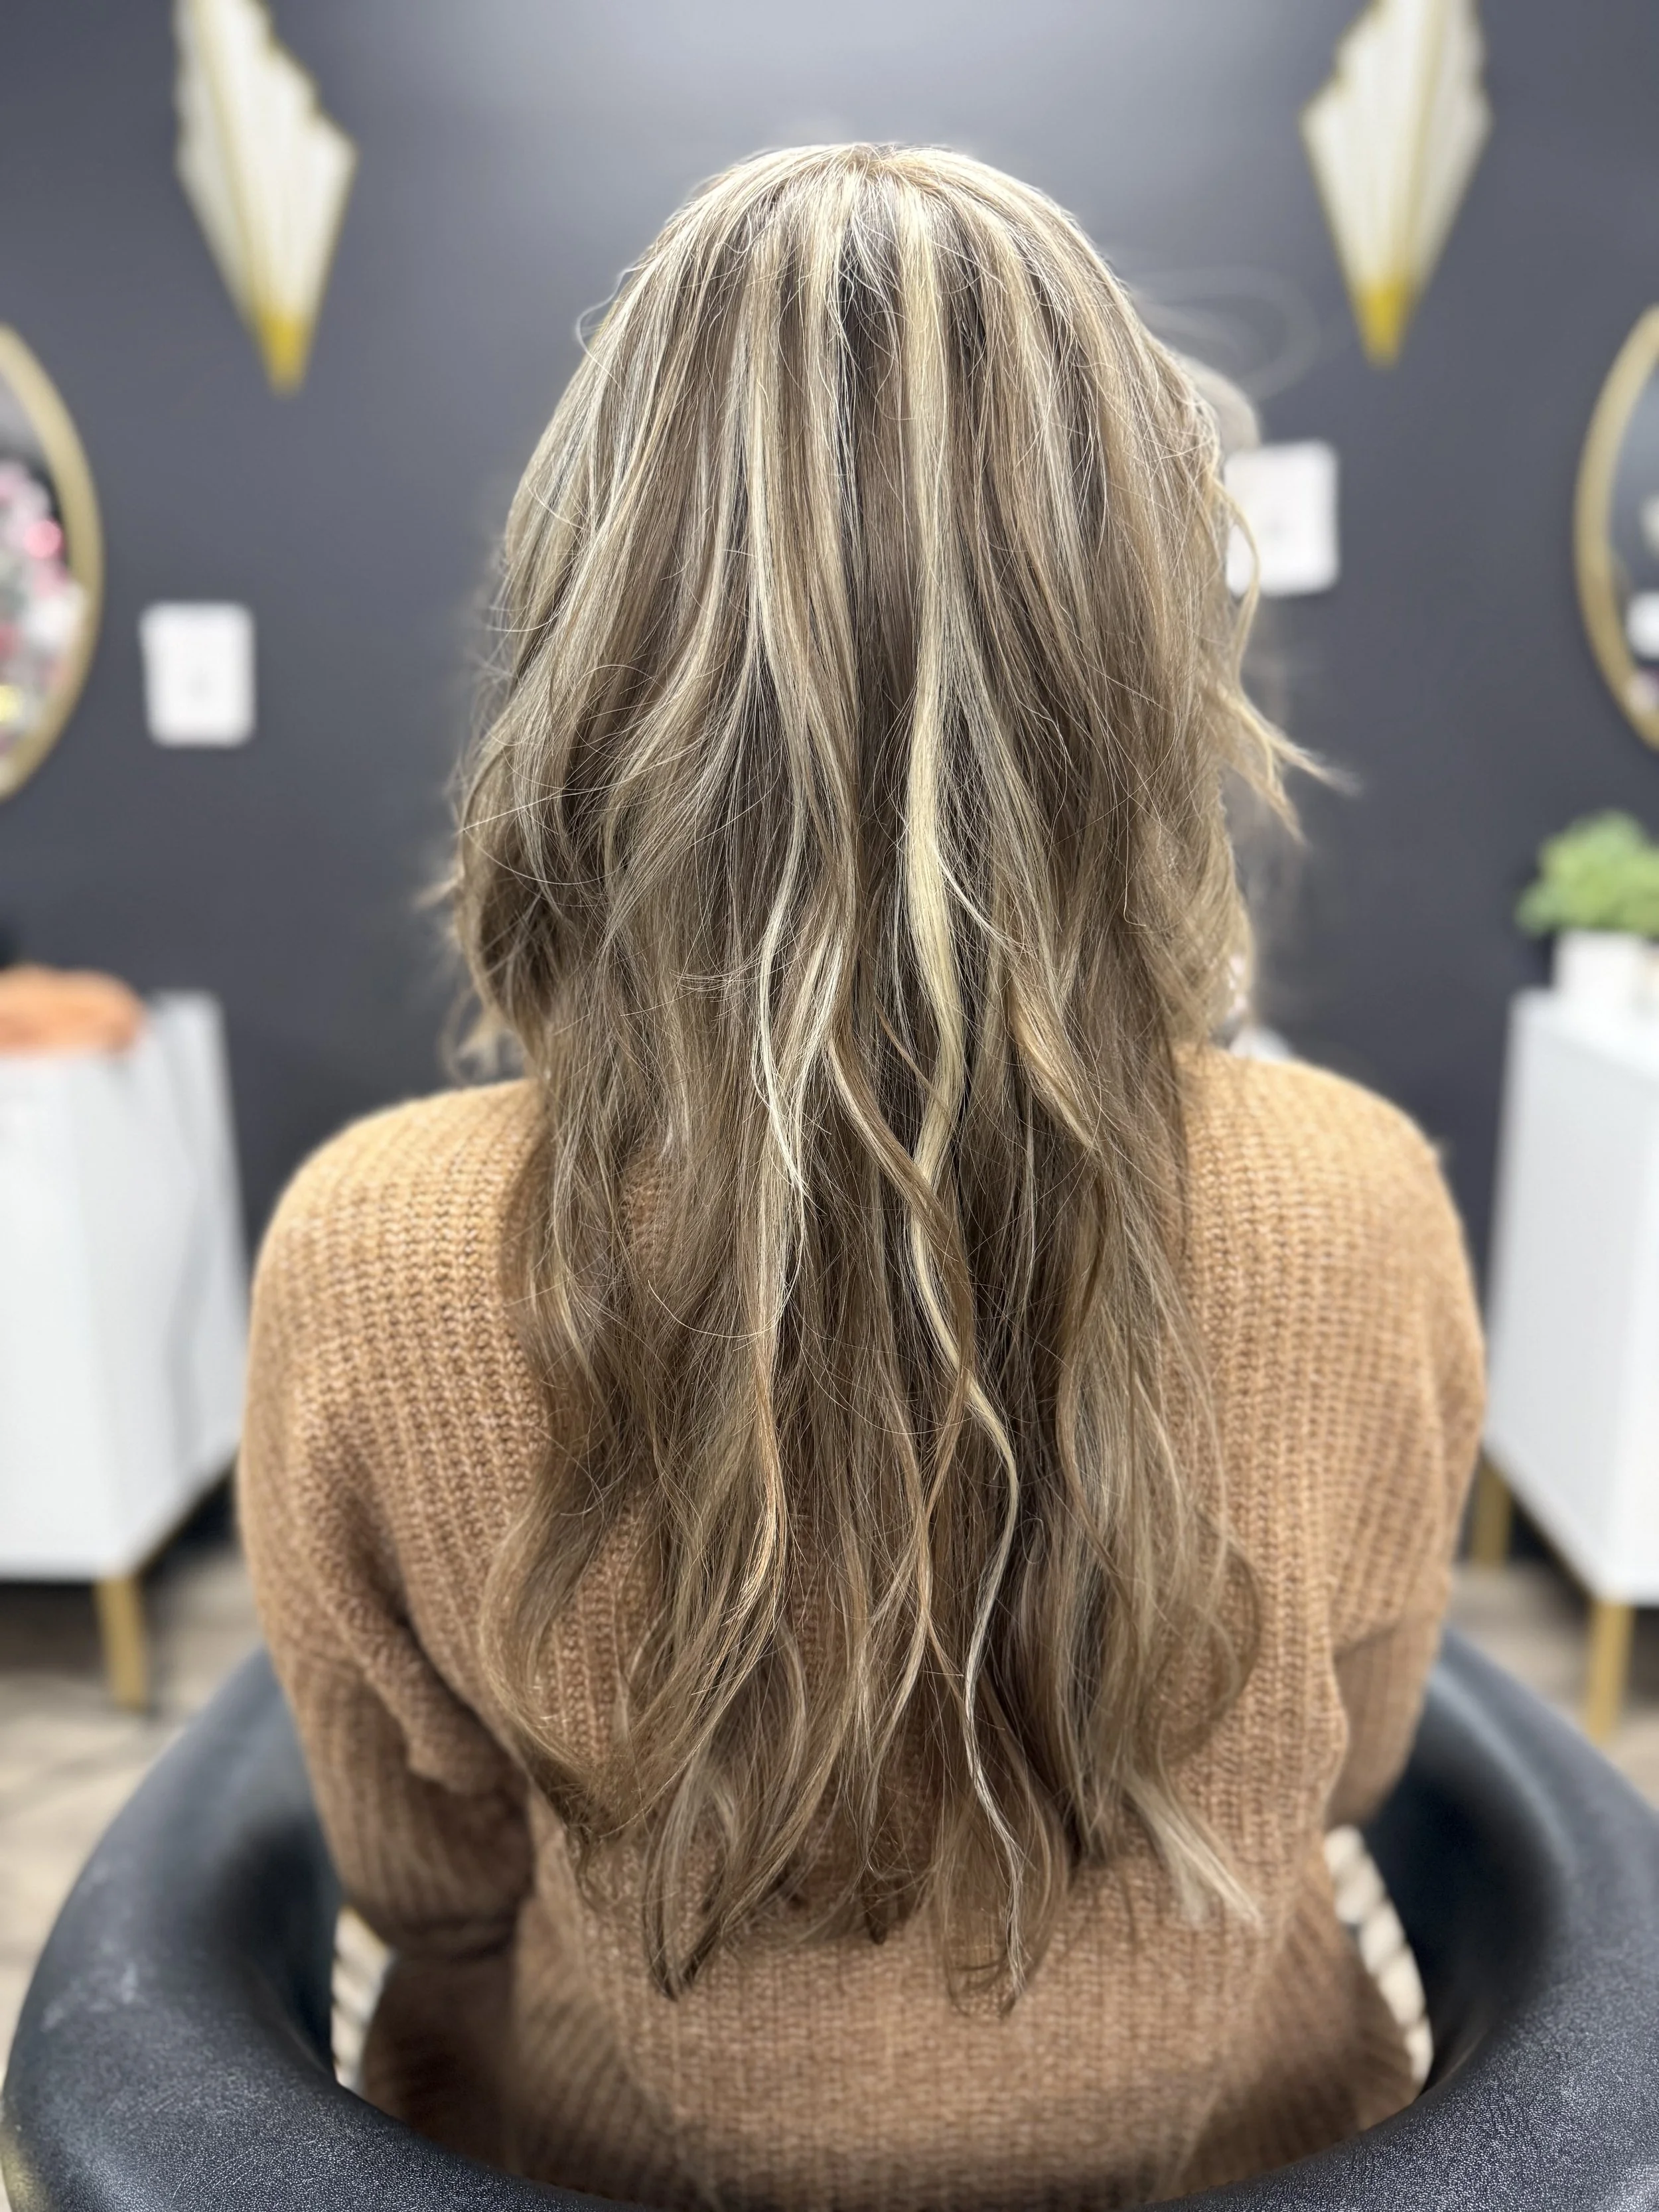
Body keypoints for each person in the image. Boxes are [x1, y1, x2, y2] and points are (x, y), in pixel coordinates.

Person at [240, 144, 1482, 2209]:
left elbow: (427, 1878)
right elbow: (1341, 1774)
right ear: (1140, 652)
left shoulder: (375, 1247)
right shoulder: (1355, 1203)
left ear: (591, 636)